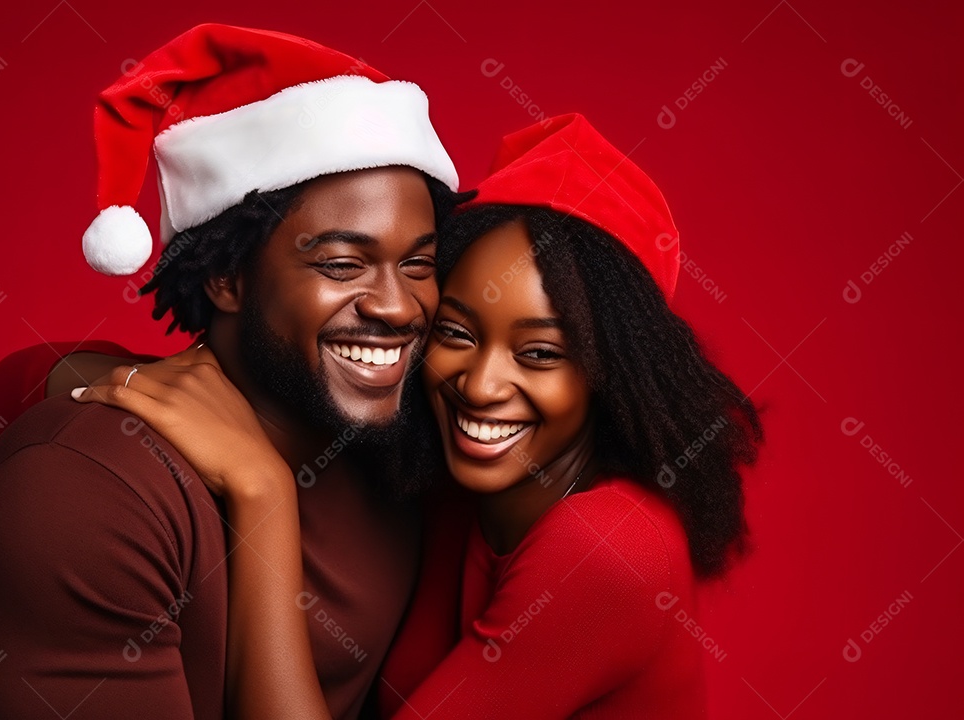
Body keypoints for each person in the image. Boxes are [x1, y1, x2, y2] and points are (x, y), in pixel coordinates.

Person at [61, 114, 763, 718]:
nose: (482, 385)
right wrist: (142, 383)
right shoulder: (451, 480)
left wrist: (260, 489)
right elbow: (12, 381)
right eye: (457, 335)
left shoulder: (611, 550)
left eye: (541, 353)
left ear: (614, 376)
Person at [0, 23, 464, 719]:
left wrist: (261, 484)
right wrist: (261, 491)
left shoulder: (400, 446)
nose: (397, 306)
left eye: (418, 263)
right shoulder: (87, 499)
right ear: (226, 278)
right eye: (341, 264)